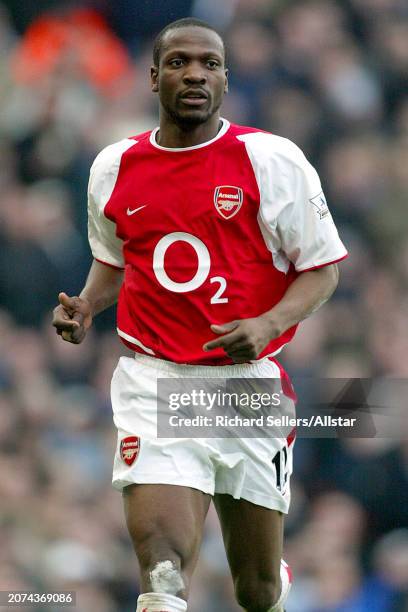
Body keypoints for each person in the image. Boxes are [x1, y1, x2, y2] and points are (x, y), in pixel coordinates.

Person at [52, 17, 347, 612]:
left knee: (257, 593)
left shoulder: (271, 160)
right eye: (181, 62)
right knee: (162, 575)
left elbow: (323, 269)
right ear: (154, 76)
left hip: (246, 388)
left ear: (225, 80)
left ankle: (276, 582)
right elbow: (117, 260)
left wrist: (266, 324)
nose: (195, 74)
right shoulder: (113, 167)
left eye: (209, 64)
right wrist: (87, 305)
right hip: (153, 380)